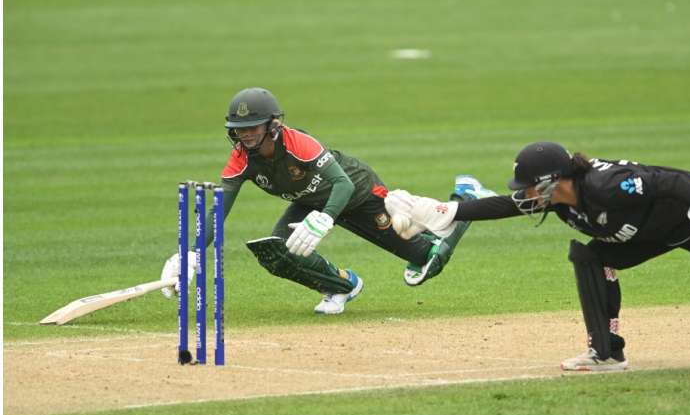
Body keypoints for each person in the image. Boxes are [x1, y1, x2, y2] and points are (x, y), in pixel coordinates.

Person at [384, 141, 690, 371]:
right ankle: (606, 353)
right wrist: (444, 211)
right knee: (587, 256)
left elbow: (675, 182)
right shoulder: (559, 202)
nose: (526, 194)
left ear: (554, 178)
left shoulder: (607, 186)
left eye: (531, 185)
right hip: (648, 236)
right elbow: (498, 205)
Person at [159, 87, 493, 315]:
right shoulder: (240, 160)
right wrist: (188, 252)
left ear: (272, 124)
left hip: (357, 193)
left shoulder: (298, 143)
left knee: (427, 261)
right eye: (238, 128)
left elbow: (342, 184)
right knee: (277, 251)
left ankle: (466, 197)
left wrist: (324, 218)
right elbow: (219, 210)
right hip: (313, 202)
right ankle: (342, 286)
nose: (244, 134)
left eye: (252, 127)